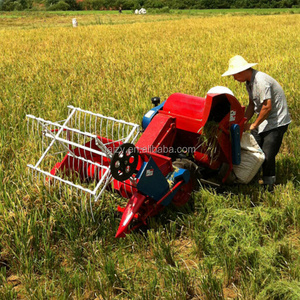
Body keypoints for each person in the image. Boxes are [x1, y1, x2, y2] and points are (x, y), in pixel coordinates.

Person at [222, 55, 291, 188]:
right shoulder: (250, 82)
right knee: (254, 149)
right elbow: (252, 105)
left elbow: (267, 106)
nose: (234, 78)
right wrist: (243, 121)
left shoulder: (260, 81)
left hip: (277, 121)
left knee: (267, 155)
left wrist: (253, 125)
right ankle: (252, 179)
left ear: (241, 72)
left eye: (234, 75)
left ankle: (269, 186)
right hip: (265, 120)